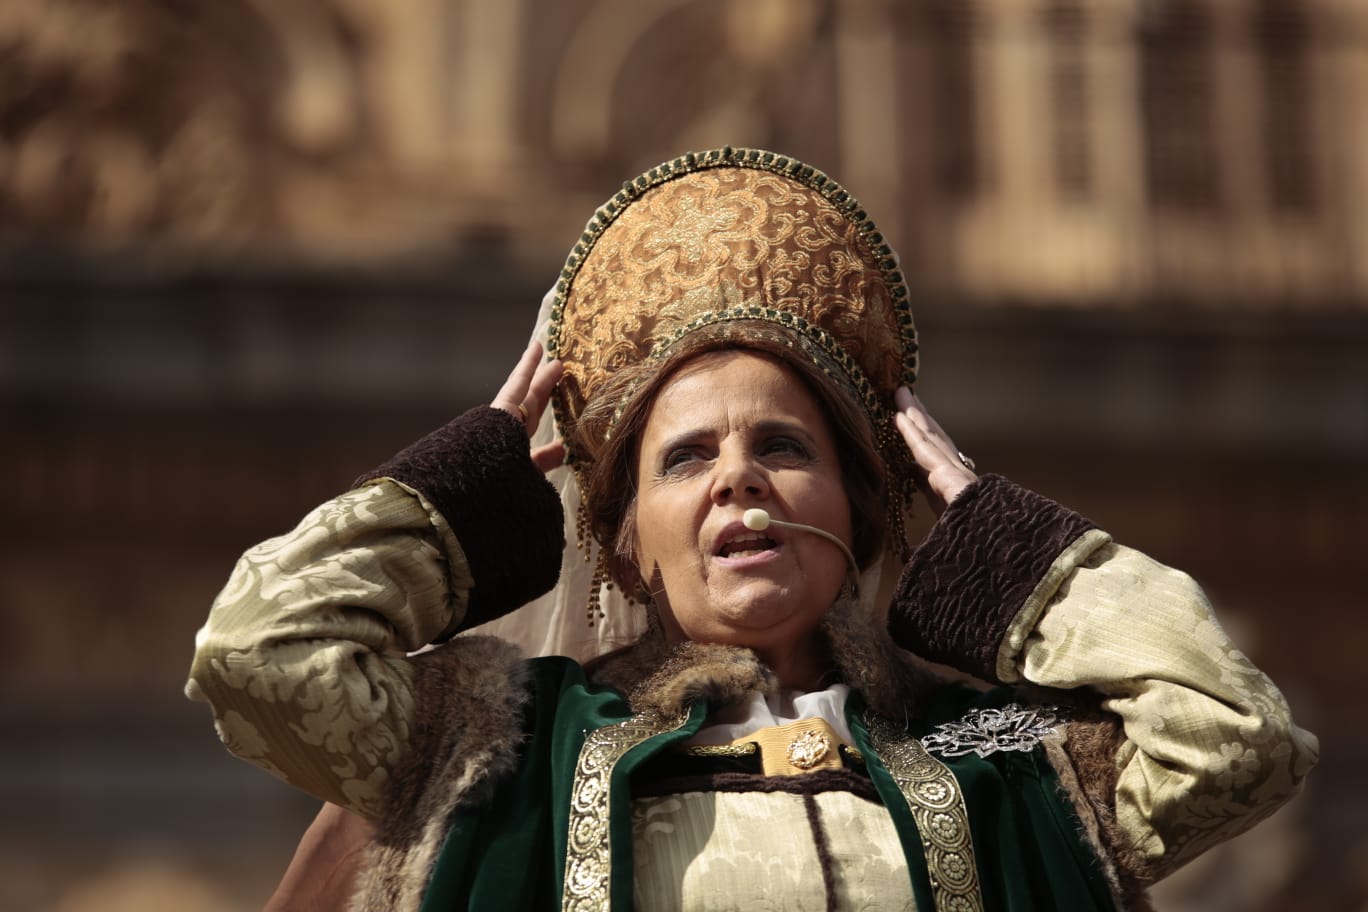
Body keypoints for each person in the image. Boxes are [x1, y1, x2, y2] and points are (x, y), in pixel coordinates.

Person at [187, 147, 1317, 911]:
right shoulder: (497, 746)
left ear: (857, 508)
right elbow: (259, 655)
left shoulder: (988, 755)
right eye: (686, 457)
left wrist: (997, 541)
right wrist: (471, 476)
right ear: (631, 539)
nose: (740, 482)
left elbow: (1235, 739)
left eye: (783, 447)